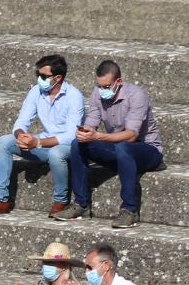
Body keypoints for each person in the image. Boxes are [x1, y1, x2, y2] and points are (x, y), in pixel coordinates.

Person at [53, 61, 164, 229]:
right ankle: (81, 204)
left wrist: (98, 136)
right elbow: (91, 122)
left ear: (118, 82)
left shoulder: (136, 95)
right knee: (78, 144)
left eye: (106, 86)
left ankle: (129, 210)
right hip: (119, 149)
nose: (102, 90)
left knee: (123, 146)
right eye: (99, 86)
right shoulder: (97, 94)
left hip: (147, 151)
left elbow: (131, 135)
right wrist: (85, 132)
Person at [0, 55, 84, 217]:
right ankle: (0, 199)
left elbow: (71, 136)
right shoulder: (36, 91)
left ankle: (60, 201)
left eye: (43, 76)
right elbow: (21, 122)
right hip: (42, 144)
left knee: (56, 153)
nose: (39, 79)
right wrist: (20, 136)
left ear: (58, 78)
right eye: (37, 75)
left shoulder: (74, 96)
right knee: (5, 142)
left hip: (66, 147)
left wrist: (37, 142)